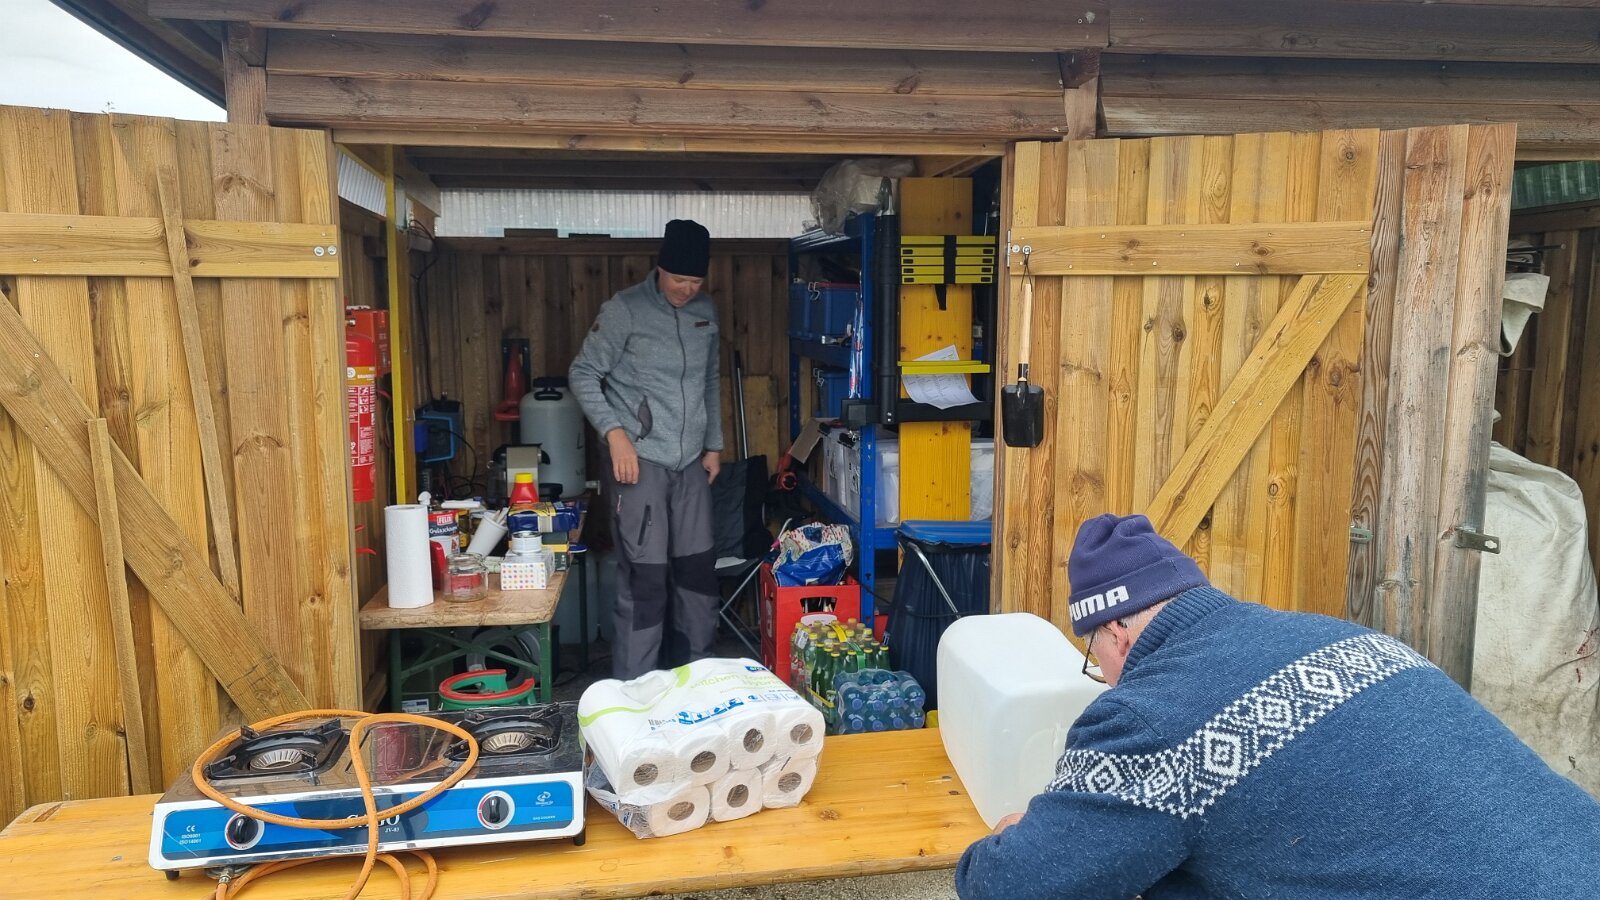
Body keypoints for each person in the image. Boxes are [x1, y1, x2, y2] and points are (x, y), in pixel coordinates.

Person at [955, 512, 1600, 900]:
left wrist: (1010, 840)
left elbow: (1015, 886)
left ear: (1116, 632)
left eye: (1095, 657)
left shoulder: (1151, 718)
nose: (1104, 676)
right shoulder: (1344, 637)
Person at [569, 219, 724, 679]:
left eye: (695, 281)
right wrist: (615, 434)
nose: (686, 289)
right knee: (646, 579)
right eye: (678, 279)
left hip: (691, 463)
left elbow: (709, 380)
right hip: (640, 462)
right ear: (660, 269)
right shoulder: (625, 310)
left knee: (697, 574)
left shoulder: (705, 312)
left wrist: (713, 445)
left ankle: (697, 680)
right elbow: (583, 373)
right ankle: (634, 690)